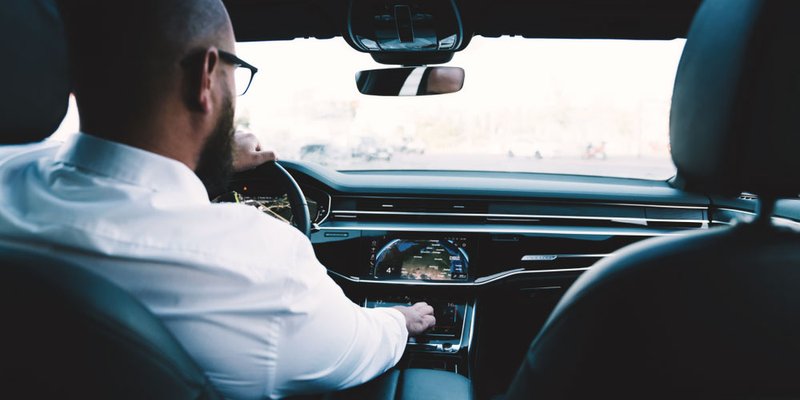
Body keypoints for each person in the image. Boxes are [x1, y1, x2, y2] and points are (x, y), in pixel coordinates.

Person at [0, 0, 435, 398]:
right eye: (235, 70)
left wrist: (207, 159)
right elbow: (356, 349)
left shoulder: (8, 182)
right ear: (206, 75)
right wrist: (400, 320)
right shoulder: (263, 266)